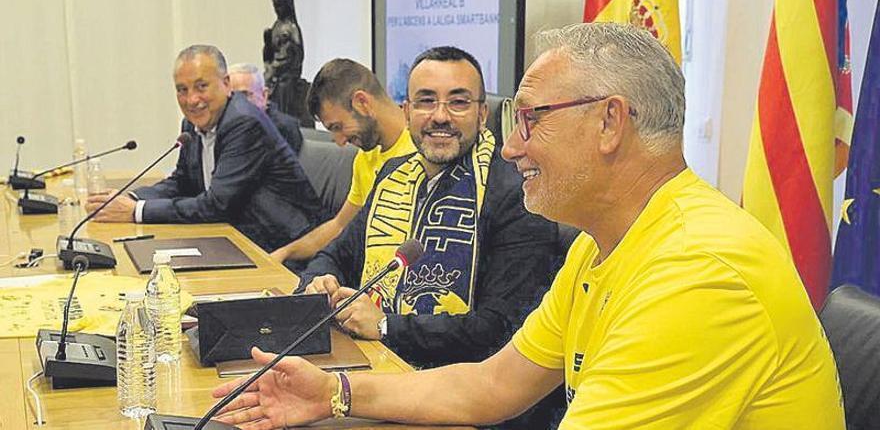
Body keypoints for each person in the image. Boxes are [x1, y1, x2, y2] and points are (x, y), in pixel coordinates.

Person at [212, 24, 845, 429]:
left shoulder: (698, 272)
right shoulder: (610, 243)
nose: (510, 148)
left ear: (609, 123)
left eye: (530, 118)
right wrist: (334, 394)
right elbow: (491, 385)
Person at [295, 47, 559, 369]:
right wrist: (321, 280)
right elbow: (336, 254)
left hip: (459, 389)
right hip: (374, 361)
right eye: (426, 101)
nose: (440, 116)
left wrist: (385, 326)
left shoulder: (517, 195)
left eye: (459, 102)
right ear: (407, 113)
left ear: (482, 114)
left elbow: (500, 329)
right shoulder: (393, 174)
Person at [85, 45, 325, 253]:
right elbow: (181, 182)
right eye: (182, 89)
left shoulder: (243, 123)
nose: (191, 100)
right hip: (233, 237)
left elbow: (216, 205)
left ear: (226, 84)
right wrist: (129, 198)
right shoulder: (193, 122)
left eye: (201, 86)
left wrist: (137, 211)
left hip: (282, 246)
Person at [269, 58, 416, 264]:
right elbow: (339, 226)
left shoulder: (425, 150)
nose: (340, 142)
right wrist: (282, 254)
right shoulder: (364, 158)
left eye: (338, 127)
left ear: (362, 103)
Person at [229, 62, 304, 154]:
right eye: (232, 96)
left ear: (264, 96)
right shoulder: (225, 126)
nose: (237, 102)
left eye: (245, 95)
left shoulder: (283, 128)